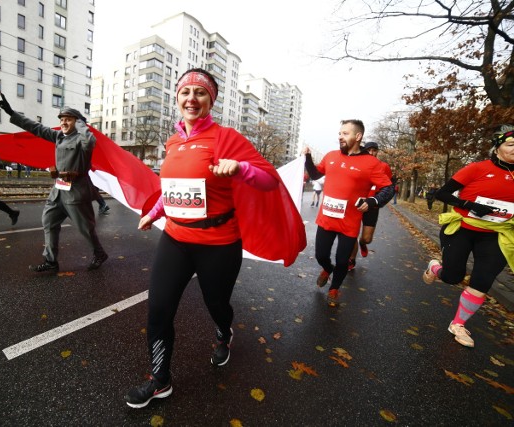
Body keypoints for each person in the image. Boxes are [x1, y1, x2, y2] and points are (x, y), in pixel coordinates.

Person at [125, 68, 292, 408]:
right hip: (175, 239)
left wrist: (240, 168)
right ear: (177, 98)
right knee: (158, 308)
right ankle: (160, 380)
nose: (191, 98)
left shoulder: (226, 138)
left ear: (210, 100)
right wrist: (154, 212)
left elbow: (269, 179)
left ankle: (223, 332)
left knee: (216, 305)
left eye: (200, 93)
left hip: (218, 243)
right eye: (185, 92)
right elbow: (171, 189)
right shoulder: (172, 142)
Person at [422, 124, 514, 348]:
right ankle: (436, 267)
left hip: (496, 234)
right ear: (497, 148)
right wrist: (468, 204)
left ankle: (458, 324)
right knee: (453, 276)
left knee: (482, 280)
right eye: (511, 144)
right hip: (463, 228)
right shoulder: (477, 168)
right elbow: (442, 193)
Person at [0, 94, 108, 273]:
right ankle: (51, 261)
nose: (63, 122)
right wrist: (12, 113)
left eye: (68, 119)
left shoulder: (82, 138)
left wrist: (81, 123)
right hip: (58, 191)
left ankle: (99, 253)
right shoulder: (58, 136)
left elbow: (90, 142)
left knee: (85, 229)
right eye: (62, 119)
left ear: (77, 121)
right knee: (48, 221)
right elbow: (36, 127)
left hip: (76, 192)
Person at [303, 120, 394, 306]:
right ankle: (327, 269)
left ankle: (335, 288)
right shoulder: (331, 156)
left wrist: (372, 201)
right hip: (326, 219)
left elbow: (388, 188)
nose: (340, 136)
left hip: (349, 223)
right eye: (339, 133)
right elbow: (315, 175)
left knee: (343, 260)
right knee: (321, 255)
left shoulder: (372, 163)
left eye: (345, 133)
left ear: (357, 136)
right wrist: (308, 158)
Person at [347, 141, 393, 270]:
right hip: (355, 204)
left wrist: (378, 200)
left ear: (377, 151)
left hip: (372, 206)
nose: (372, 153)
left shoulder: (384, 166)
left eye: (374, 150)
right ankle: (351, 260)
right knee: (351, 235)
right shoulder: (358, 164)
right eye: (369, 150)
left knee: (367, 239)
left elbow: (388, 187)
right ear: (365, 151)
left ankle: (362, 243)